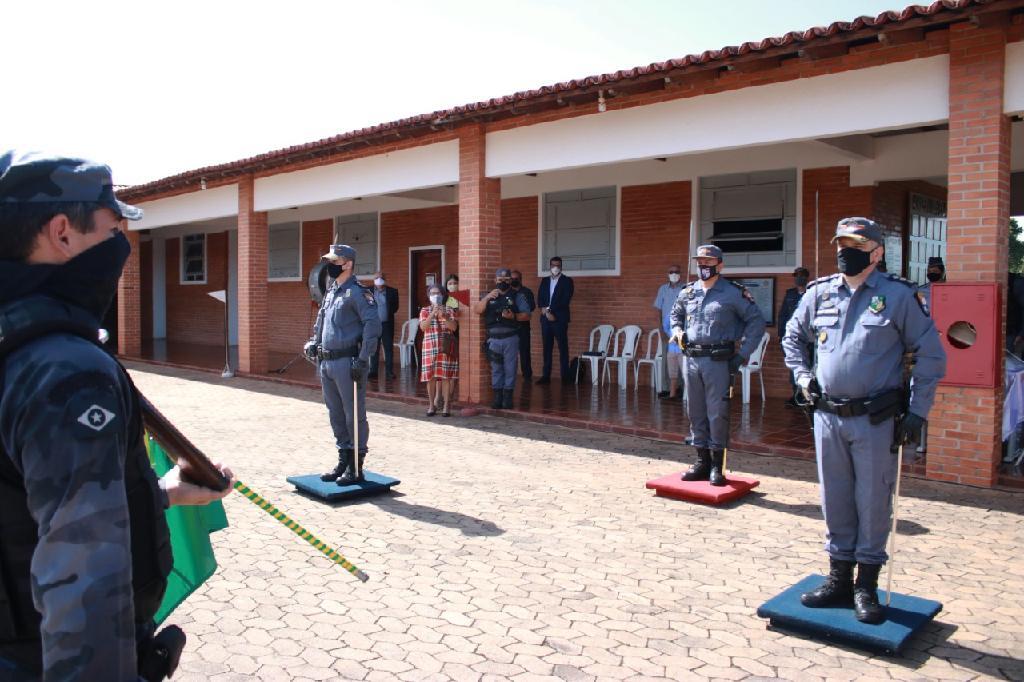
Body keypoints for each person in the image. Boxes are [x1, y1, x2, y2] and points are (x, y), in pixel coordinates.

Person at [0, 151, 234, 679]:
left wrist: (166, 493)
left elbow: (32, 502)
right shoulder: (64, 370)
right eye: (111, 226)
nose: (120, 242)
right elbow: (83, 580)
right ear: (63, 232)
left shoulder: (18, 337)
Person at [782, 217, 946, 624]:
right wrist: (804, 379)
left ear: (876, 252)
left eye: (854, 244)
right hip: (828, 417)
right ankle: (838, 578)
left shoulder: (899, 296)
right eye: (840, 243)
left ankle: (866, 585)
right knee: (834, 497)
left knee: (872, 499)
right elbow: (792, 339)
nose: (843, 251)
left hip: (875, 419)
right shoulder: (820, 293)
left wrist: (918, 410)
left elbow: (931, 355)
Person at [670, 245, 765, 486]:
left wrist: (742, 355)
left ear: (720, 265)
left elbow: (756, 322)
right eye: (700, 262)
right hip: (691, 359)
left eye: (708, 261)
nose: (703, 266)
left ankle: (716, 465)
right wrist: (678, 330)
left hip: (718, 361)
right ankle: (701, 460)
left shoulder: (733, 293)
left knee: (717, 413)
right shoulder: (688, 292)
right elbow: (675, 314)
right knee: (695, 411)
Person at [305, 244, 381, 484]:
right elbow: (322, 322)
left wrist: (363, 359)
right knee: (335, 414)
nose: (330, 266)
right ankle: (343, 458)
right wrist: (314, 342)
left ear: (347, 264)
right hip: (327, 362)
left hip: (348, 362)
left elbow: (372, 327)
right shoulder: (331, 291)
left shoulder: (358, 292)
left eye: (334, 262)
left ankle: (356, 465)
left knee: (353, 415)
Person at [472, 268, 530, 408]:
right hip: (493, 339)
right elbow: (477, 310)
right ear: (495, 280)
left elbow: (527, 315)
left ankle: (508, 398)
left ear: (511, 280)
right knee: (496, 368)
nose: (503, 282)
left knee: (510, 369)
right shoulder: (489, 295)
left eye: (506, 280)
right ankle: (497, 398)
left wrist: (513, 316)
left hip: (511, 337)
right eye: (500, 279)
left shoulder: (518, 295)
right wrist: (487, 298)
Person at [419, 284, 459, 416]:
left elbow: (453, 328)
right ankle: (431, 405)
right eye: (432, 293)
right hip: (430, 347)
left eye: (438, 293)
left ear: (443, 295)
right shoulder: (425, 310)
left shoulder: (449, 310)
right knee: (430, 377)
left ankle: (447, 405)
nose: (435, 296)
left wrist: (445, 316)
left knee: (446, 376)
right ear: (429, 296)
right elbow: (423, 327)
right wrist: (432, 314)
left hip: (445, 348)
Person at [536, 256, 575, 384]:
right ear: (550, 266)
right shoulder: (545, 280)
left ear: (561, 266)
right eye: (553, 265)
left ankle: (565, 377)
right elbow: (540, 297)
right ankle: (545, 376)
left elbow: (565, 299)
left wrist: (552, 312)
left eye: (558, 265)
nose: (555, 268)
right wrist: (544, 310)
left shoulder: (567, 281)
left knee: (563, 347)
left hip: (559, 319)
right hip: (546, 319)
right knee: (547, 348)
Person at [778, 267, 811, 406]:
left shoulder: (812, 293)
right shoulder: (790, 294)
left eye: (801, 276)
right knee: (794, 365)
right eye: (796, 276)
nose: (798, 279)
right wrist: (781, 335)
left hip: (809, 336)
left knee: (810, 365)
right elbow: (783, 315)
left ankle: (808, 395)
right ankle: (796, 395)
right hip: (793, 337)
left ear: (806, 277)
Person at [653, 264, 686, 399]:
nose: (674, 274)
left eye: (676, 272)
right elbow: (658, 310)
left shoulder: (685, 288)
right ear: (668, 274)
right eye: (671, 272)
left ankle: (682, 390)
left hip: (682, 332)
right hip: (667, 331)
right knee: (667, 361)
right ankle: (667, 388)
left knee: (683, 360)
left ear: (680, 273)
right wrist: (661, 330)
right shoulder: (663, 289)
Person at [369, 271, 399, 380]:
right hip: (373, 324)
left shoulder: (392, 291)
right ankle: (373, 371)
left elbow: (396, 307)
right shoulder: (368, 291)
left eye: (381, 278)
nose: (379, 279)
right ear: (374, 279)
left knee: (388, 349)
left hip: (387, 324)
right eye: (376, 278)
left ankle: (389, 372)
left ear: (384, 279)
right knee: (374, 349)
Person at [510, 269, 536, 379]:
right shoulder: (508, 292)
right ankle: (511, 376)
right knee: (510, 353)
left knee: (524, 352)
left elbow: (531, 307)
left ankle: (527, 376)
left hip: (523, 326)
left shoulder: (526, 292)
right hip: (510, 327)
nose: (514, 280)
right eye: (511, 278)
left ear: (521, 280)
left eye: (516, 278)